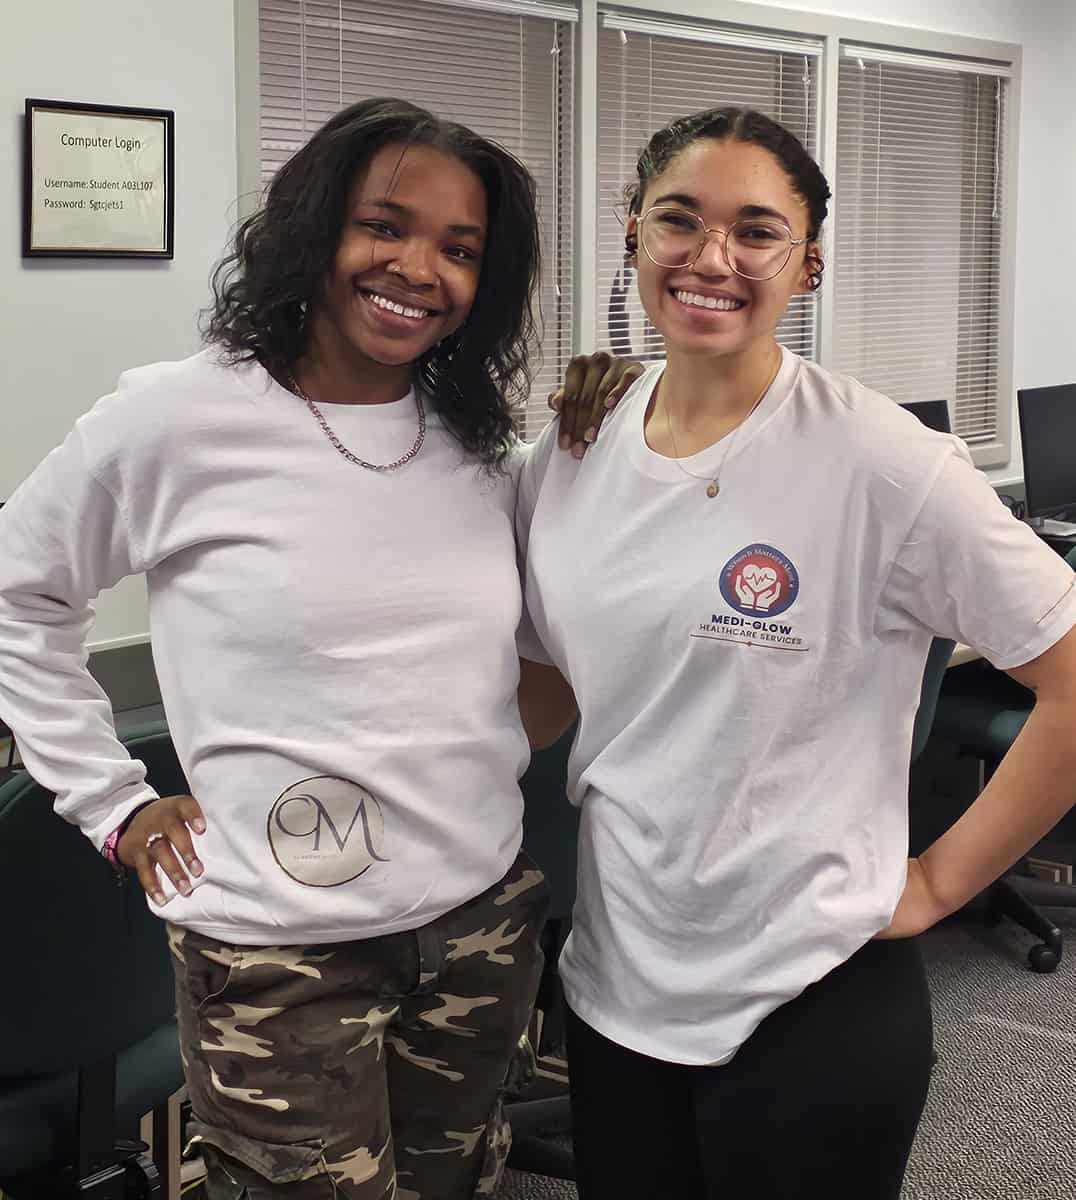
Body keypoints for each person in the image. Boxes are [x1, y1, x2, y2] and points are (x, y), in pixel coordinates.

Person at [0, 97, 638, 1200]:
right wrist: (113, 802)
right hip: (278, 957)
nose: (415, 267)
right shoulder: (174, 421)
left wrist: (624, 415)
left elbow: (544, 649)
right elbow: (18, 598)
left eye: (459, 248)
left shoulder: (477, 445)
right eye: (381, 225)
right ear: (311, 228)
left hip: (476, 924)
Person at [515, 106, 1076, 1199]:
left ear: (806, 262)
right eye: (677, 219)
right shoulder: (570, 450)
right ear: (631, 233)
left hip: (809, 989)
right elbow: (545, 684)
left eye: (755, 231)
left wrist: (936, 882)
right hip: (614, 984)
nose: (710, 258)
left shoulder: (882, 461)